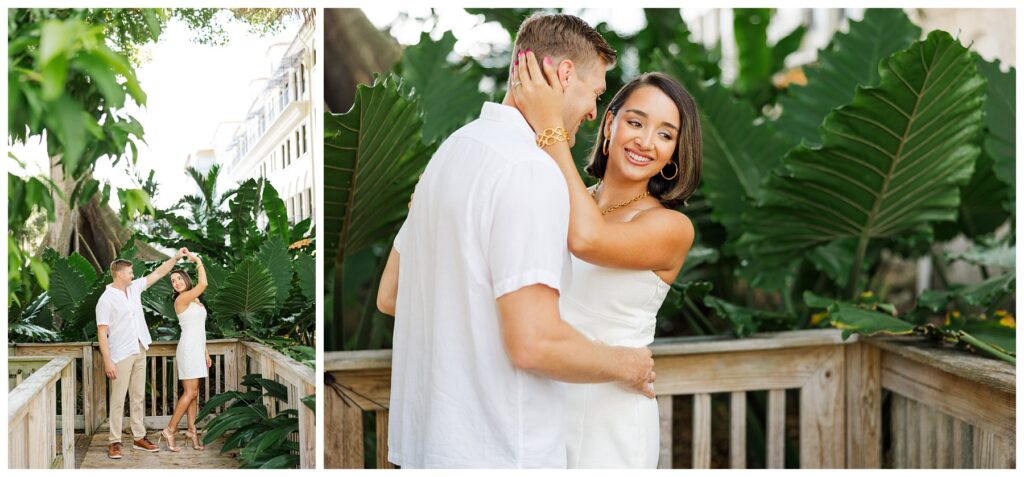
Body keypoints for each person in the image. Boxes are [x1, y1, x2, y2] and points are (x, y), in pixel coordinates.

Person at [375, 13, 656, 469]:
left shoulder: (450, 153)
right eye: (595, 93)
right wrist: (629, 364)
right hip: (503, 452)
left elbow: (391, 296)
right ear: (564, 75)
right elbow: (534, 343)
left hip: (430, 450)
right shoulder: (529, 169)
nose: (592, 111)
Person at [511, 52, 701, 467]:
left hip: (609, 413)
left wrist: (551, 129)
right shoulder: (569, 195)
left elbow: (587, 239)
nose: (646, 142)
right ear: (610, 122)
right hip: (543, 398)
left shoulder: (671, 227)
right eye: (636, 122)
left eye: (665, 135)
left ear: (675, 152)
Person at [96, 248, 189, 459]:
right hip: (120, 354)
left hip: (140, 348)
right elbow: (102, 333)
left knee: (138, 397)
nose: (133, 275)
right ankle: (114, 441)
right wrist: (108, 361)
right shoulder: (106, 299)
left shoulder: (135, 288)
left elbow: (158, 273)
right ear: (120, 274)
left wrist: (175, 258)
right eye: (130, 272)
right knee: (118, 399)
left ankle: (139, 438)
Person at [159, 250, 210, 452]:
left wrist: (205, 351)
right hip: (188, 349)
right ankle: (170, 430)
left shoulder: (195, 301)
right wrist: (197, 260)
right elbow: (204, 284)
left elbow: (200, 329)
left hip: (197, 349)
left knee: (194, 393)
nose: (177, 282)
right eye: (173, 281)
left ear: (186, 279)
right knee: (190, 392)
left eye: (179, 278)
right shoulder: (182, 300)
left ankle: (191, 431)